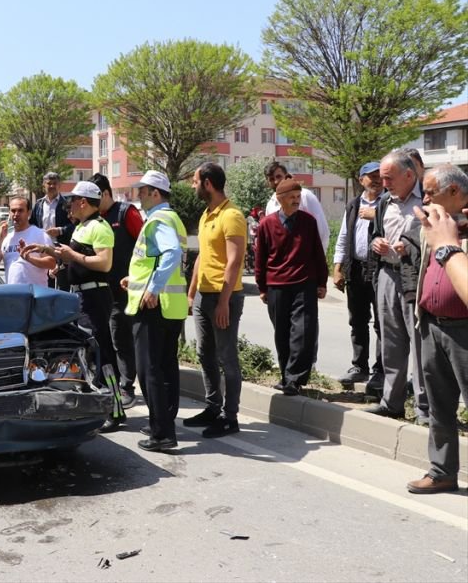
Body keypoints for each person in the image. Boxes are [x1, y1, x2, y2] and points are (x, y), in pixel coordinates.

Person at [406, 165, 468, 495]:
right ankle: (442, 471)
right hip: (432, 325)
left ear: (455, 193)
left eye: (431, 192)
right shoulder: (432, 226)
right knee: (439, 406)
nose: (425, 198)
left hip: (464, 331)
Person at [24, 181, 114, 390]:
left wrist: (71, 255)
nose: (68, 205)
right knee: (86, 350)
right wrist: (46, 250)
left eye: (72, 201)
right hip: (81, 296)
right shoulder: (81, 227)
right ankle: (91, 395)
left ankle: (114, 405)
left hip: (95, 296)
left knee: (101, 350)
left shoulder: (99, 227)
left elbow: (104, 262)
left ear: (83, 202)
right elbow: (72, 257)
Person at [121, 171, 187, 451]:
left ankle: (161, 433)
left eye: (143, 191)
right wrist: (136, 281)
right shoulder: (172, 218)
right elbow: (157, 259)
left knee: (151, 371)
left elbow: (171, 253)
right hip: (170, 308)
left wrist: (153, 288)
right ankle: (163, 423)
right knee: (167, 368)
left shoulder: (159, 220)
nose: (138, 195)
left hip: (154, 307)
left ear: (156, 193)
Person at [366, 151, 428, 423]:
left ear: (409, 175)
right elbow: (375, 234)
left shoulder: (428, 199)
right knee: (390, 343)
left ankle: (424, 409)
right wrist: (376, 243)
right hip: (387, 276)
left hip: (417, 278)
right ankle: (392, 402)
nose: (384, 183)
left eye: (389, 178)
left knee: (421, 345)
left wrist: (413, 246)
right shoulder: (383, 203)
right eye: (381, 178)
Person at [186, 162, 246, 438]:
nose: (193, 185)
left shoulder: (232, 216)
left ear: (208, 183)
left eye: (195, 181)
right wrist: (191, 292)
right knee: (204, 354)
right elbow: (202, 256)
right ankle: (212, 407)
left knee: (226, 357)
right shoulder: (206, 214)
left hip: (226, 297)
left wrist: (223, 302)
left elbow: (234, 263)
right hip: (203, 295)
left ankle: (229, 417)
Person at [255, 179, 328, 396]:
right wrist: (262, 286)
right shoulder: (266, 224)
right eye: (292, 197)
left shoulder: (308, 221)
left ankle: (295, 378)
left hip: (304, 283)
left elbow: (317, 253)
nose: (296, 201)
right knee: (283, 333)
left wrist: (322, 282)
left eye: (298, 197)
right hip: (276, 285)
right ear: (280, 199)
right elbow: (260, 257)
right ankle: (286, 376)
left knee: (304, 331)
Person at [91, 173, 144, 412]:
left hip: (125, 289)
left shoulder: (126, 212)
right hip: (102, 291)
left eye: (94, 197)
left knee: (120, 337)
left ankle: (126, 387)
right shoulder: (96, 219)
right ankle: (112, 384)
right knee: (108, 338)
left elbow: (144, 244)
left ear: (104, 194)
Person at [334, 162, 385, 392]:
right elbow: (344, 237)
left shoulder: (388, 203)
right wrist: (338, 267)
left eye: (379, 176)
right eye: (370, 176)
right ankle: (359, 366)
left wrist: (377, 215)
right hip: (355, 269)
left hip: (381, 269)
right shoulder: (354, 204)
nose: (375, 180)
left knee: (383, 324)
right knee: (357, 320)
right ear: (361, 179)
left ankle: (381, 370)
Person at [263, 161, 329, 254]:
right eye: (271, 179)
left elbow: (323, 232)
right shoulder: (271, 205)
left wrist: (318, 260)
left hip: (306, 262)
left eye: (278, 176)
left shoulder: (305, 196)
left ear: (286, 175)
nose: (276, 181)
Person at [0, 196, 54, 286]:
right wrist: (0, 238)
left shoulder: (40, 234)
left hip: (34, 295)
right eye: (13, 211)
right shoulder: (6, 238)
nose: (16, 214)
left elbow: (51, 263)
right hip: (13, 295)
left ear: (29, 213)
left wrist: (30, 259)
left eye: (20, 210)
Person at [29, 171, 75, 290]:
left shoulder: (66, 203)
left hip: (60, 249)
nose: (51, 186)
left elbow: (75, 225)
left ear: (59, 185)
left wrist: (60, 230)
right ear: (44, 185)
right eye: (49, 183)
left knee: (62, 284)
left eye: (54, 183)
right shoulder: (39, 204)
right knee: (44, 282)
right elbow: (32, 225)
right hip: (42, 249)